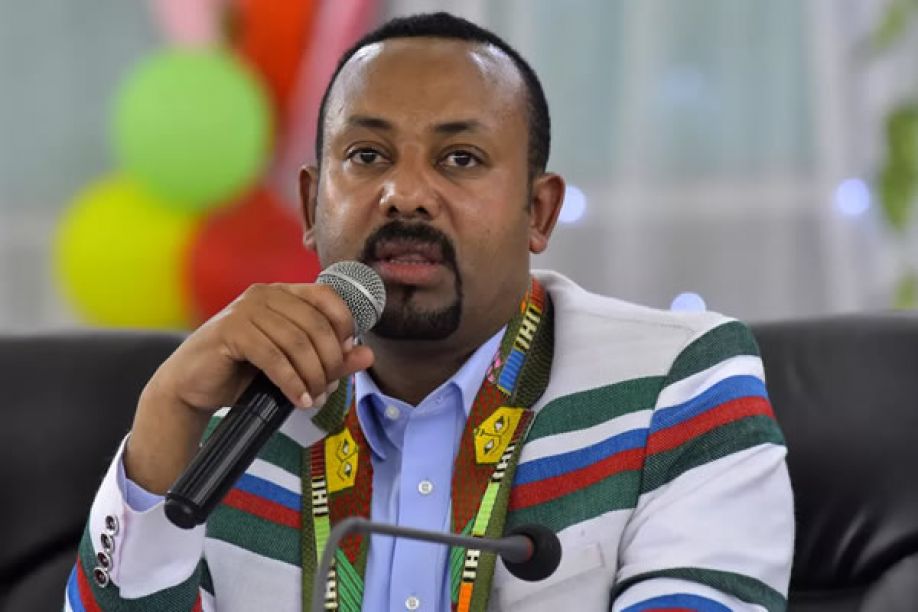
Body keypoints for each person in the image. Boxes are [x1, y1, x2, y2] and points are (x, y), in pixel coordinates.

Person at [65, 11, 793, 612]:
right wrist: (163, 420)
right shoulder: (232, 421)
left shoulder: (677, 383)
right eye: (367, 156)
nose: (405, 194)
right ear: (311, 207)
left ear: (539, 213)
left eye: (460, 159)